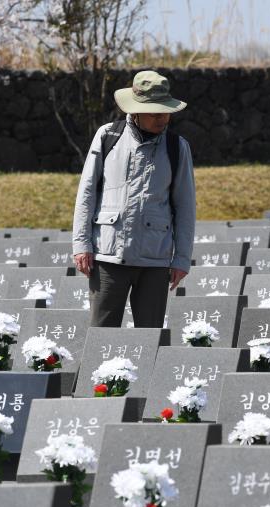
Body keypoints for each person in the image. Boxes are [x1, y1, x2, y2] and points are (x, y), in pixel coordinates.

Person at [72, 70, 196, 328]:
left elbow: (185, 205)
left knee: (149, 340)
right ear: (136, 110)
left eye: (166, 112)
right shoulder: (108, 136)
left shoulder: (177, 147)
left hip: (155, 259)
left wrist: (182, 259)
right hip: (108, 257)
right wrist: (81, 244)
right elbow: (86, 193)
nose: (163, 118)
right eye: (155, 113)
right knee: (101, 335)